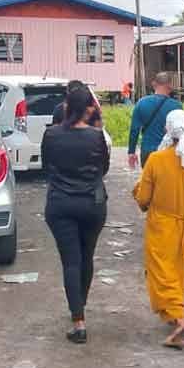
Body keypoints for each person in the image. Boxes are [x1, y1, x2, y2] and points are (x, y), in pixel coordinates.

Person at [133, 110, 184, 348]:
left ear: (167, 129)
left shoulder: (156, 160)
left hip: (163, 227)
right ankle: (174, 313)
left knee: (162, 271)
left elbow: (143, 199)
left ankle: (179, 317)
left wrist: (138, 193)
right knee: (181, 269)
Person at [41, 86, 110, 345]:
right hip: (92, 204)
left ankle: (78, 320)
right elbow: (103, 168)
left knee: (71, 261)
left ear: (67, 106)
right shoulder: (96, 136)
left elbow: (46, 166)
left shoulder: (51, 134)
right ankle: (80, 303)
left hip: (60, 204)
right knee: (86, 256)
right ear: (88, 109)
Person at [128, 74, 182, 170]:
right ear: (170, 86)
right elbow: (181, 131)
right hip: (168, 151)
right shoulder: (176, 106)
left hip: (147, 151)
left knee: (148, 179)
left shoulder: (141, 103)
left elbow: (134, 130)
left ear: (154, 84)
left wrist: (131, 152)